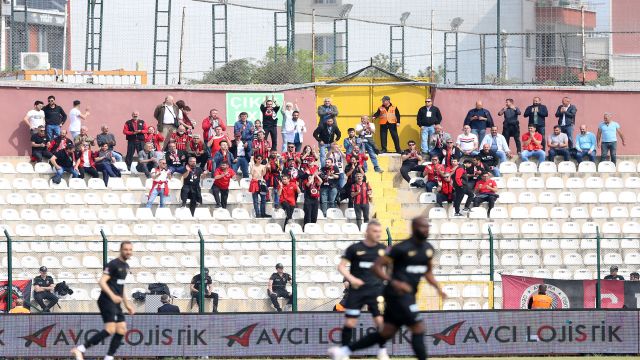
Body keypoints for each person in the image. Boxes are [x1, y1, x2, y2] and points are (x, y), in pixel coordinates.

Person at [328, 217, 447, 360]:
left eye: (428, 227)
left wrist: (438, 288)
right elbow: (376, 267)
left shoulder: (428, 249)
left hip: (388, 293)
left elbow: (427, 271)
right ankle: (346, 350)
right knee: (418, 327)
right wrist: (394, 282)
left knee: (385, 331)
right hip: (394, 295)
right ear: (414, 228)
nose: (426, 230)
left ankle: (346, 351)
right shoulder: (399, 248)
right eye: (423, 227)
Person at [71, 241, 135, 360]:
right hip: (106, 300)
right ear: (121, 250)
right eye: (126, 249)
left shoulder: (126, 267)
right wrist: (112, 296)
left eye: (130, 250)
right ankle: (80, 349)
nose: (128, 252)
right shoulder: (113, 264)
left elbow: (121, 287)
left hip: (116, 302)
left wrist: (127, 304)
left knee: (121, 329)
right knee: (110, 329)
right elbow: (102, 281)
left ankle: (109, 357)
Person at [336, 220, 388, 359]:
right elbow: (341, 267)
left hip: (375, 291)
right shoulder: (354, 248)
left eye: (379, 232)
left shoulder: (383, 249)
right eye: (375, 231)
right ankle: (344, 351)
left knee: (380, 322)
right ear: (367, 232)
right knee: (350, 322)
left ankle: (382, 350)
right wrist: (352, 279)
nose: (378, 234)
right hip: (357, 292)